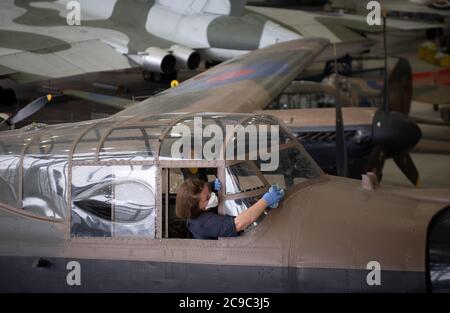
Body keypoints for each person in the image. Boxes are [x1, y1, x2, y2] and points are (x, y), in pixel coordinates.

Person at [175, 178, 284, 239]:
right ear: (196, 207)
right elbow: (239, 224)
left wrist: (211, 185)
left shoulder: (200, 204)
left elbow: (203, 190)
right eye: (208, 197)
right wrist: (266, 200)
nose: (212, 196)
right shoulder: (203, 223)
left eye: (209, 191)